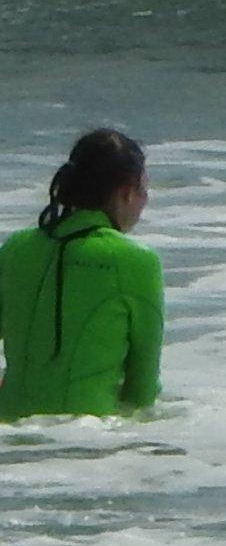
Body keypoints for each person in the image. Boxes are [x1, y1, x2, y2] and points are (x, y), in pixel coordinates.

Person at [2, 127, 165, 420]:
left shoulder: (16, 249)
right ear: (127, 192)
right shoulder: (136, 262)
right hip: (86, 445)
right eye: (144, 189)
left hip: (9, 439)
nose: (144, 200)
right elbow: (141, 392)